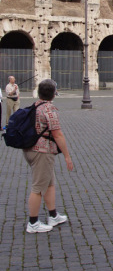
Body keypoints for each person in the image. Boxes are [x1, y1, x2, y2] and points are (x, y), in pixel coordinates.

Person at [23, 79, 74, 233]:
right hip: (42, 152)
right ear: (53, 94)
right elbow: (58, 135)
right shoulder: (49, 110)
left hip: (32, 149)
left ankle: (53, 215)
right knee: (38, 187)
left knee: (49, 183)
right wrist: (67, 156)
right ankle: (33, 223)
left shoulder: (36, 106)